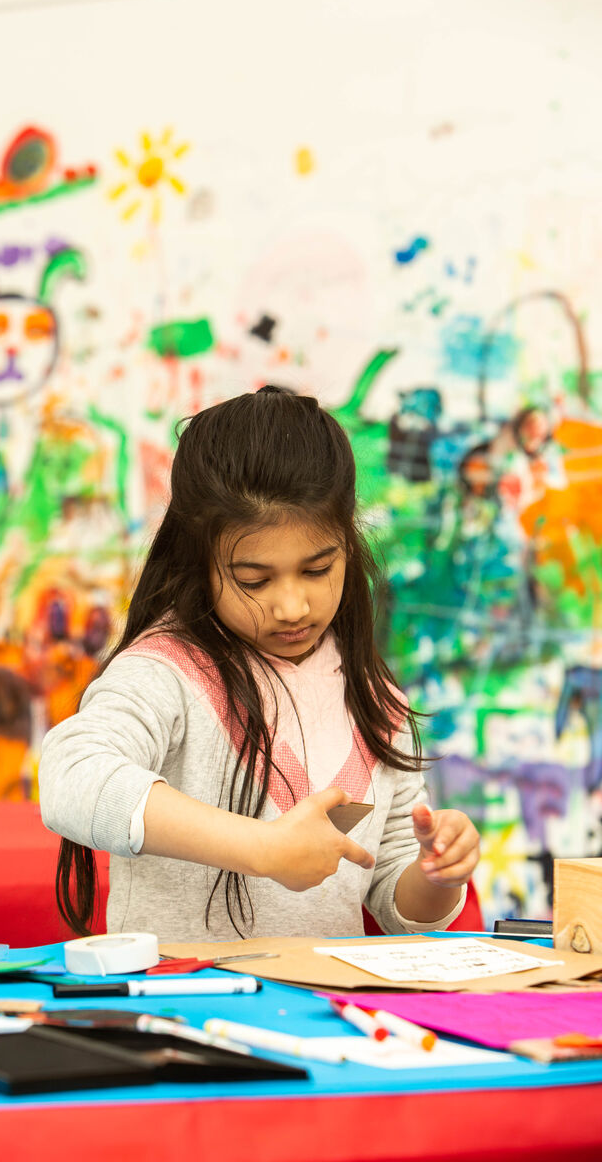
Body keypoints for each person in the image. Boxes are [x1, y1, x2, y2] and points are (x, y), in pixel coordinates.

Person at [39, 387, 480, 941]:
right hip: (182, 1012)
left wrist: (437, 872)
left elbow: (395, 898)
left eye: (318, 570)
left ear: (348, 543)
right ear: (200, 563)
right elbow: (72, 777)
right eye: (254, 580)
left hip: (324, 1015)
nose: (292, 607)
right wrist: (260, 847)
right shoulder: (165, 672)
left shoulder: (374, 697)